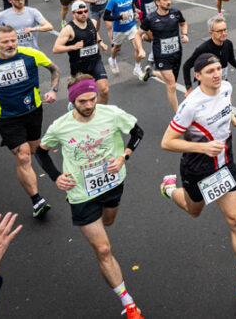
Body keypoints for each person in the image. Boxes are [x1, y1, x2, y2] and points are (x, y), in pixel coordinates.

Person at [159, 54, 236, 305]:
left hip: (224, 164)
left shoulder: (227, 88)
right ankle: (169, 190)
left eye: (219, 68)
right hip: (197, 168)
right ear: (197, 76)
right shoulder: (190, 105)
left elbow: (225, 110)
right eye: (210, 71)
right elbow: (167, 142)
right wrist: (203, 147)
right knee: (193, 210)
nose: (217, 74)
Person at [37, 76, 144, 319]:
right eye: (82, 101)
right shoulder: (60, 126)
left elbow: (137, 132)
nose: (88, 105)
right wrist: (55, 177)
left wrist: (123, 156)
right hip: (80, 192)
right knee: (104, 248)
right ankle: (128, 304)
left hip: (112, 183)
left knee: (108, 221)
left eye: (92, 99)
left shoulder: (111, 113)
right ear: (72, 100)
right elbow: (40, 152)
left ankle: (101, 219)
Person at [0, 25, 61, 218]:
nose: (10, 45)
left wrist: (53, 89)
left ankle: (25, 166)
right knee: (24, 156)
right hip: (8, 117)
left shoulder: (31, 54)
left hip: (33, 111)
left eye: (13, 40)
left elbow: (54, 69)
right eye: (5, 42)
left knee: (33, 150)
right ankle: (37, 200)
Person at [137, 0, 188, 112]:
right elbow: (138, 34)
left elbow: (183, 23)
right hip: (161, 54)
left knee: (171, 80)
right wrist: (140, 50)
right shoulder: (150, 18)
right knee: (171, 85)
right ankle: (178, 115)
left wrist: (185, 34)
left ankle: (152, 73)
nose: (169, 2)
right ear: (157, 2)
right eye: (165, 0)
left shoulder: (176, 13)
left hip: (177, 52)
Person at [52, 0, 111, 104]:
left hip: (95, 61)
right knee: (82, 97)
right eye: (80, 12)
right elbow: (56, 48)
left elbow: (94, 32)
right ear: (73, 14)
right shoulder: (68, 29)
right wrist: (73, 47)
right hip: (79, 66)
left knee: (104, 90)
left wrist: (101, 42)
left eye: (85, 11)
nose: (83, 14)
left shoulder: (92, 22)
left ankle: (99, 114)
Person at [180, 16, 236, 90]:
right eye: (219, 31)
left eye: (225, 30)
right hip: (207, 88)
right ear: (211, 33)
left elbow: (231, 59)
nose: (224, 33)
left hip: (222, 83)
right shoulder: (203, 49)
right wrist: (189, 88)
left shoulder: (228, 44)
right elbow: (186, 66)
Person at [103, 0, 147, 79]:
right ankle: (112, 59)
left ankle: (137, 68)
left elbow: (132, 6)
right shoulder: (113, 0)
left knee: (137, 47)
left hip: (131, 26)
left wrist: (135, 13)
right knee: (116, 48)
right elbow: (106, 16)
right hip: (119, 29)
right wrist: (120, 17)